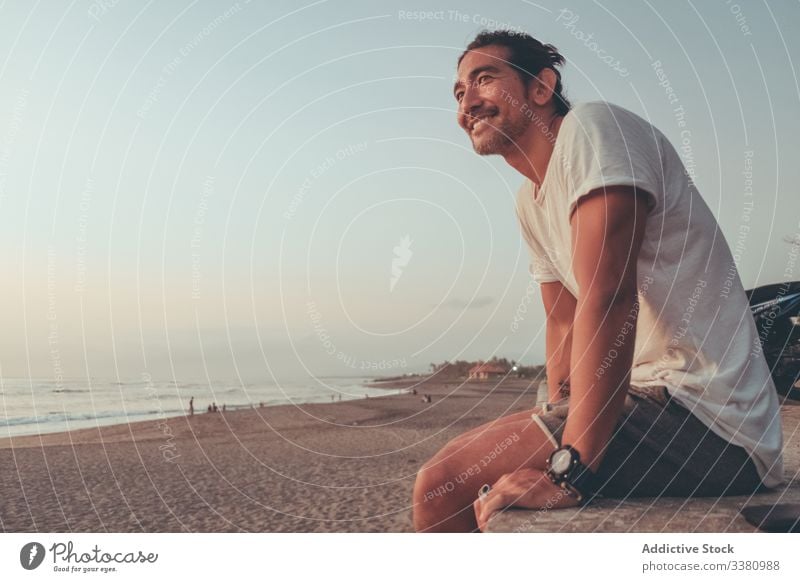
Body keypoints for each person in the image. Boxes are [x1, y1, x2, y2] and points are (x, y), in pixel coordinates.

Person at [412, 30, 784, 533]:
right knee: (457, 460)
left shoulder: (593, 130)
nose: (467, 101)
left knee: (441, 484)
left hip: (708, 422)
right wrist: (556, 414)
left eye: (484, 79)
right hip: (652, 404)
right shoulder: (530, 200)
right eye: (458, 93)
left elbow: (609, 299)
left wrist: (572, 469)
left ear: (541, 88)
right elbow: (563, 321)